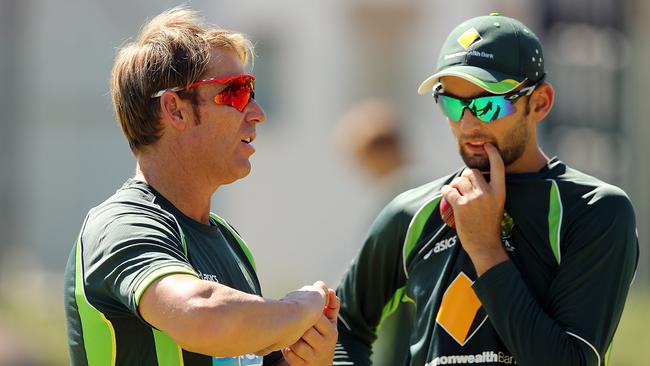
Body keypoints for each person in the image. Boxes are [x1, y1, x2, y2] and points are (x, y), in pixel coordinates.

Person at [334, 13, 639, 366]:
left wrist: (485, 247)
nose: (468, 124)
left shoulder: (594, 209)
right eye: (451, 104)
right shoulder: (412, 212)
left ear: (539, 102)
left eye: (487, 104)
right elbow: (342, 326)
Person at [63, 7, 338, 366]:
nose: (257, 112)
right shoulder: (121, 225)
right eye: (237, 92)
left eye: (252, 90)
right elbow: (204, 317)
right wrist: (298, 307)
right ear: (175, 109)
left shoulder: (229, 242)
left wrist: (305, 359)